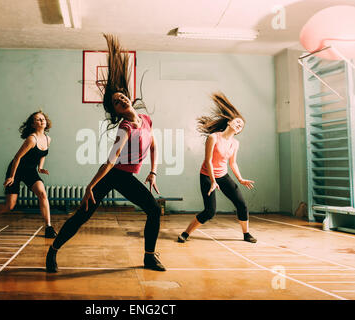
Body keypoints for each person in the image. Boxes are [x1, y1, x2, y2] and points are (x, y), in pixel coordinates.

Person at [45, 34, 165, 273]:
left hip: (126, 175)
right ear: (116, 111)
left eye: (122, 96)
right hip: (116, 174)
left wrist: (153, 171)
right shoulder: (125, 127)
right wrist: (90, 186)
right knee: (83, 216)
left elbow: (153, 144)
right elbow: (111, 161)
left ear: (129, 99)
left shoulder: (146, 120)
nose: (121, 100)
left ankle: (149, 257)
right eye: (116, 102)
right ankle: (53, 251)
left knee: (153, 210)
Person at [177, 93, 257, 244]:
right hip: (207, 176)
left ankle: (246, 234)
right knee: (210, 212)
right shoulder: (213, 137)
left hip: (223, 175)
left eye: (241, 126)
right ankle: (185, 233)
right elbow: (208, 161)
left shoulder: (235, 143)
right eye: (237, 121)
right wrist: (213, 181)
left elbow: (233, 163)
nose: (239, 125)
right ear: (229, 122)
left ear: (239, 131)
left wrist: (240, 179)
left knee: (242, 204)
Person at [0, 110, 57, 238]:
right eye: (38, 119)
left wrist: (40, 168)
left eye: (43, 118)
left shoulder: (48, 139)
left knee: (42, 193)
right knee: (9, 206)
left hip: (30, 171)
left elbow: (43, 154)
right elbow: (17, 158)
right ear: (33, 124)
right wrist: (12, 176)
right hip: (16, 169)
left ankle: (48, 227)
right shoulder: (31, 139)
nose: (42, 120)